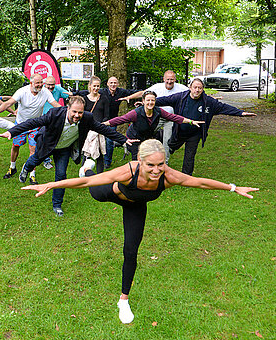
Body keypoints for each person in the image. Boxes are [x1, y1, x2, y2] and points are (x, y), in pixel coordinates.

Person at [22, 139, 258, 324]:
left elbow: (199, 182)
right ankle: (87, 167)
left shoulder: (169, 176)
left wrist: (233, 188)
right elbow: (83, 186)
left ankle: (123, 300)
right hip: (110, 192)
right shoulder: (128, 171)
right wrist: (51, 184)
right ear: (140, 162)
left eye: (161, 164)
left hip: (135, 206)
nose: (156, 170)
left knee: (131, 250)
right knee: (91, 183)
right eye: (151, 165)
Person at [0, 95, 132, 217]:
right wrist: (11, 132)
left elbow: (102, 128)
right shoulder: (54, 114)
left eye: (80, 112)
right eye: (74, 112)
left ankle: (57, 205)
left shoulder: (87, 118)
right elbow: (33, 123)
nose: (77, 115)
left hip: (64, 149)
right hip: (48, 144)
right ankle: (26, 168)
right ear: (68, 108)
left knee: (61, 175)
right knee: (34, 161)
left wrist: (123, 139)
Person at [155, 78, 256, 175]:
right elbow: (164, 100)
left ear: (203, 89)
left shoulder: (208, 102)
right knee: (171, 145)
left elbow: (223, 107)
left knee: (190, 155)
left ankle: (186, 177)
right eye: (195, 87)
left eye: (200, 88)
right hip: (180, 131)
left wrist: (241, 113)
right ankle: (162, 137)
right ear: (190, 88)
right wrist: (148, 102)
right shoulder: (180, 98)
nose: (197, 90)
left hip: (195, 133)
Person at [0, 73, 61, 184]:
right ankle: (12, 167)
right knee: (16, 146)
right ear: (31, 83)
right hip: (20, 124)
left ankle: (32, 174)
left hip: (35, 125)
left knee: (33, 149)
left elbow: (55, 104)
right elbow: (8, 103)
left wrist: (66, 113)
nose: (40, 85)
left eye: (41, 83)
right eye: (37, 83)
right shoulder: (22, 91)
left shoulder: (45, 92)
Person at [104, 90, 203, 160]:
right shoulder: (136, 113)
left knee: (148, 157)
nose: (150, 102)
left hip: (147, 138)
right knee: (138, 159)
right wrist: (105, 124)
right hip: (133, 139)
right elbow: (121, 119)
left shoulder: (158, 111)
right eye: (148, 100)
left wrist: (191, 121)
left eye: (153, 100)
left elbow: (173, 117)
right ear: (143, 101)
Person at [119, 70, 188, 161]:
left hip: (170, 118)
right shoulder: (157, 87)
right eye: (167, 79)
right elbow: (143, 93)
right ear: (164, 79)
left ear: (175, 79)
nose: (169, 81)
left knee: (167, 140)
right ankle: (136, 150)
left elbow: (193, 93)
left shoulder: (182, 88)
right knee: (145, 132)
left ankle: (164, 162)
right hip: (157, 116)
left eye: (172, 79)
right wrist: (129, 97)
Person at [99, 77, 140, 168]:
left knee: (109, 141)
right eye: (111, 83)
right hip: (100, 119)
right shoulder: (102, 92)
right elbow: (88, 92)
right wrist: (74, 93)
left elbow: (137, 92)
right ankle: (94, 159)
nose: (113, 85)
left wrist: (129, 97)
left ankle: (107, 162)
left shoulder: (121, 92)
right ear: (107, 84)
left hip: (112, 121)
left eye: (115, 83)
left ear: (117, 84)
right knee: (97, 140)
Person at [73, 76, 110, 173]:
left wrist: (102, 124)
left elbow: (106, 115)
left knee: (100, 152)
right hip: (87, 129)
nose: (96, 88)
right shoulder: (84, 99)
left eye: (98, 86)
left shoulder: (104, 99)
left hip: (99, 129)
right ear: (90, 86)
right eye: (94, 86)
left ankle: (99, 175)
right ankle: (83, 172)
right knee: (86, 151)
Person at [41, 76, 71, 170]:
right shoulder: (40, 90)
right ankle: (46, 160)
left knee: (55, 137)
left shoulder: (58, 89)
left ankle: (56, 155)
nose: (50, 87)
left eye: (52, 85)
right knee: (44, 138)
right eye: (48, 85)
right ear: (45, 84)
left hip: (55, 117)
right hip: (42, 117)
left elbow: (69, 95)